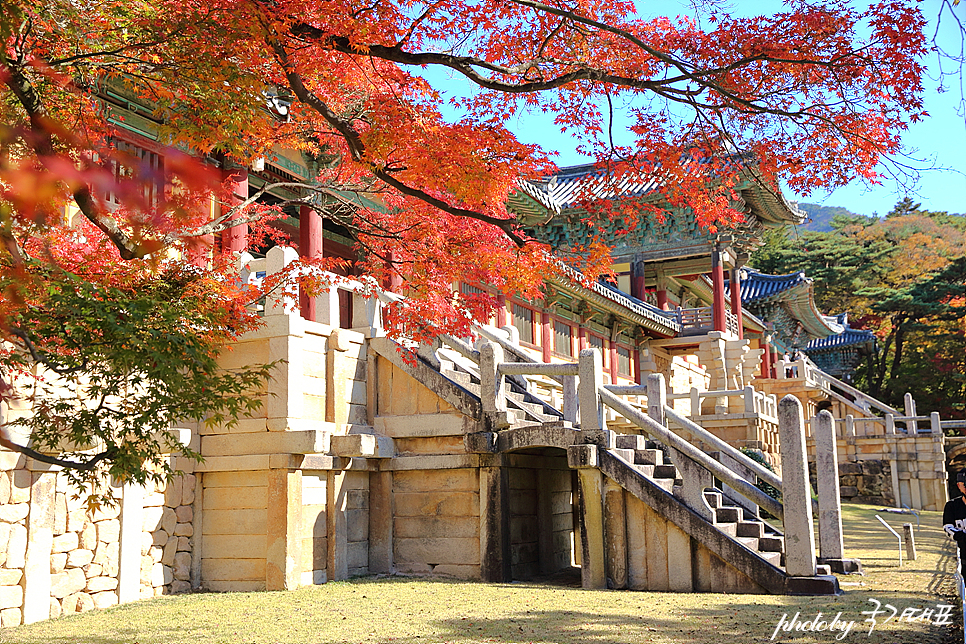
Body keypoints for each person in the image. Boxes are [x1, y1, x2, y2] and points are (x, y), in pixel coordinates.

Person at [943, 471, 966, 573]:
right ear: (959, 485)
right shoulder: (952, 506)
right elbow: (947, 527)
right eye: (964, 484)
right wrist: (961, 536)